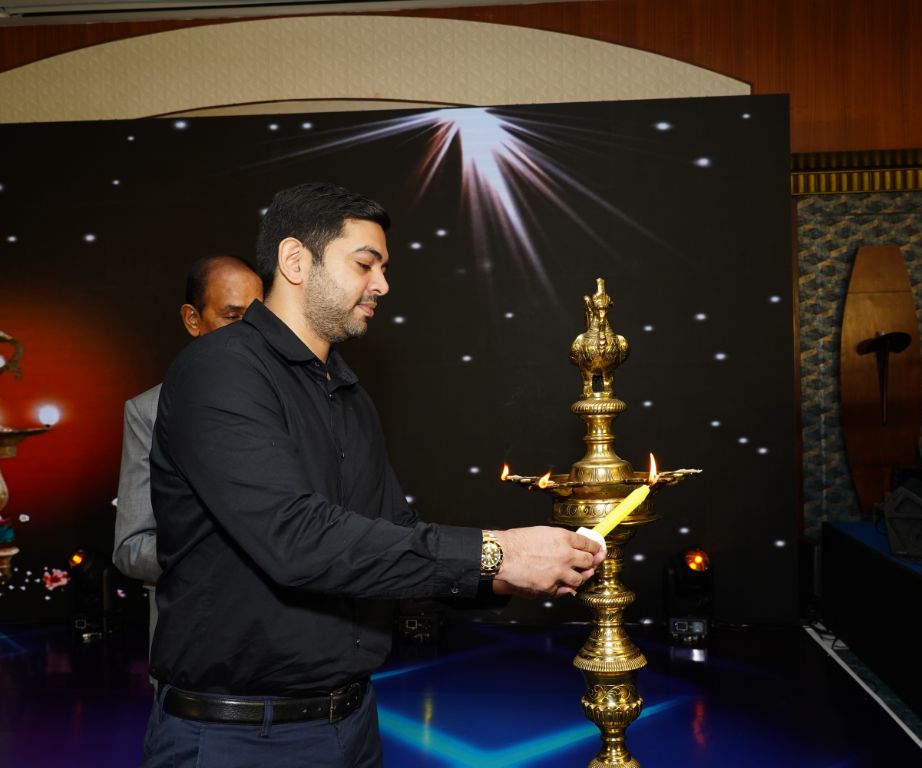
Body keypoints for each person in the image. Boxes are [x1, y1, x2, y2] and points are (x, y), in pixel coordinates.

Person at [141, 182, 605, 767]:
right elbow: (297, 539)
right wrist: (497, 553)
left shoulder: (347, 392)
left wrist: (516, 573)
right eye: (365, 264)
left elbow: (393, 537)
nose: (382, 285)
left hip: (352, 724)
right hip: (238, 737)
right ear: (295, 261)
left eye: (383, 268)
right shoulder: (219, 369)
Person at [112, 255, 264, 650]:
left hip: (288, 651)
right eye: (232, 316)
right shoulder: (148, 412)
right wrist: (234, 557)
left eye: (259, 317)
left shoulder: (298, 403)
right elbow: (130, 549)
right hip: (191, 645)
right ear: (193, 320)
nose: (250, 332)